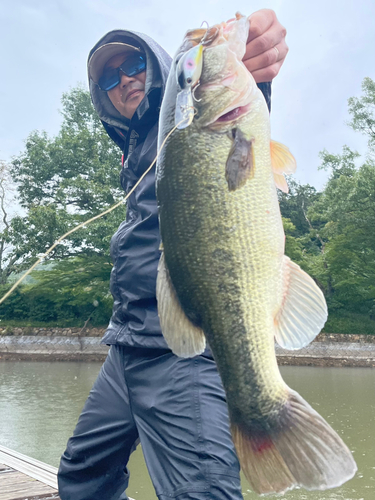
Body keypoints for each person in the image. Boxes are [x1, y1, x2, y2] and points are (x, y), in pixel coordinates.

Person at [58, 9, 288, 500]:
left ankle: (263, 410)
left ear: (161, 68)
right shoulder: (136, 148)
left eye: (134, 65)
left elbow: (232, 121)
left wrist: (251, 66)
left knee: (201, 493)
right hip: (126, 346)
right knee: (81, 475)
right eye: (110, 78)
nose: (125, 81)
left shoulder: (187, 117)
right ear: (104, 99)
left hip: (183, 353)